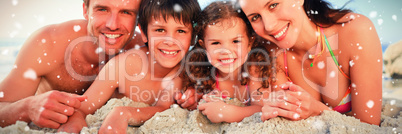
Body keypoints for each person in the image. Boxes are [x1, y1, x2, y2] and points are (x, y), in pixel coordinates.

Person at [59, 0, 201, 133]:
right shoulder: (121, 66)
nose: (170, 41)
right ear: (144, 33)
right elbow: (82, 108)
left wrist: (124, 113)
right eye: (160, 30)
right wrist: (75, 123)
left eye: (181, 31)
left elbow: (162, 108)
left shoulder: (186, 70)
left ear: (193, 37)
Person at [0, 0, 144, 129]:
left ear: (138, 19)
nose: (112, 25)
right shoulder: (48, 44)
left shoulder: (145, 53)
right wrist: (27, 107)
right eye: (102, 9)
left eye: (126, 12)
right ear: (85, 11)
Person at [239, 0, 382, 125]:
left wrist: (317, 110)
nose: (269, 25)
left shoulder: (355, 30)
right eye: (255, 17)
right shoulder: (266, 55)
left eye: (273, 5)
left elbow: (369, 125)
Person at [184, 1, 277, 123]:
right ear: (204, 46)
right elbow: (196, 100)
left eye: (236, 41)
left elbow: (262, 108)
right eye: (216, 43)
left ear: (249, 43)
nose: (226, 51)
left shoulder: (254, 68)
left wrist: (227, 112)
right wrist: (190, 99)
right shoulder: (205, 75)